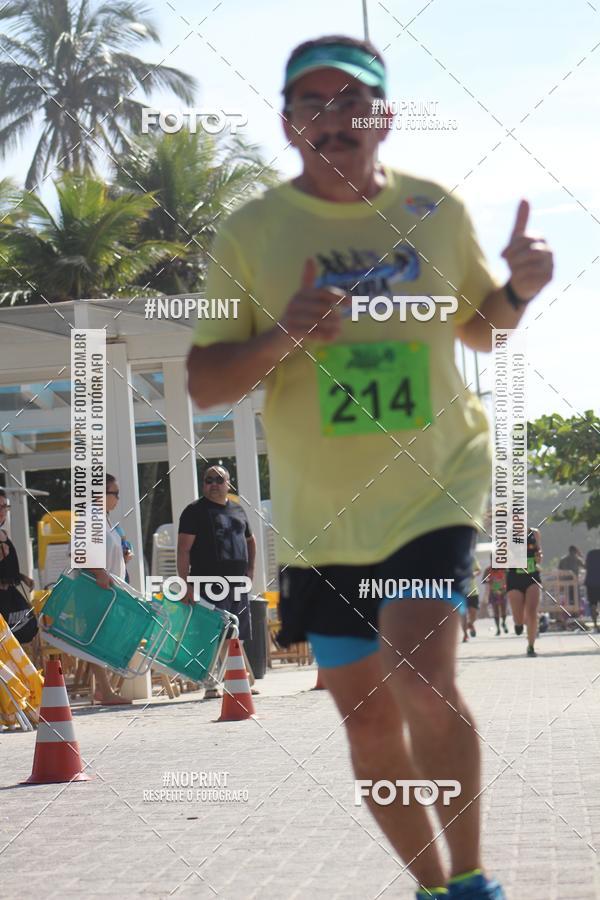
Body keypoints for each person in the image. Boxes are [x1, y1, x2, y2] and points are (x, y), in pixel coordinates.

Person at [186, 35, 553, 900]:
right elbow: (204, 382)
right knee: (367, 720)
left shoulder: (434, 211)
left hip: (433, 485)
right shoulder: (251, 232)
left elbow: (480, 328)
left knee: (421, 677)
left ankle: (473, 881)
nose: (333, 120)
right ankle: (433, 889)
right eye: (312, 104)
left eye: (351, 101)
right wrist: (282, 335)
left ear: (383, 116)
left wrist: (518, 290)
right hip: (323, 513)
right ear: (287, 123)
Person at [177, 465, 257, 699]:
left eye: (219, 480)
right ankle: (211, 684)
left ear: (228, 484)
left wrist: (250, 570)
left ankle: (237, 681)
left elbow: (250, 541)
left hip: (237, 583)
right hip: (207, 582)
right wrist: (185, 584)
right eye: (208, 480)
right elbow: (183, 549)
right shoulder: (194, 511)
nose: (213, 484)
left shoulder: (238, 509)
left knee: (236, 634)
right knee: (212, 634)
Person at [87, 474, 132, 705]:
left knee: (106, 638)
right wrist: (99, 573)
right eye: (114, 493)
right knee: (97, 639)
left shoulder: (105, 520)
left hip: (111, 588)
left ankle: (104, 689)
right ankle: (105, 690)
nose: (118, 498)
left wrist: (123, 557)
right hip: (97, 589)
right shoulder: (90, 519)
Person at [0, 489, 37, 646]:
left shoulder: (3, 533)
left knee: (27, 627)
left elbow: (7, 567)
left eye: (4, 506)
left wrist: (22, 577)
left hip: (9, 593)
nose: (2, 511)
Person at [506, 528, 543, 657]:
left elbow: (539, 555)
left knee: (532, 612)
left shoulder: (534, 533)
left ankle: (531, 646)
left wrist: (539, 556)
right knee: (519, 618)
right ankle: (518, 624)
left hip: (532, 577)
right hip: (514, 578)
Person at [482, 558, 508, 636]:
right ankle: (498, 629)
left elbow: (508, 578)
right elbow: (483, 580)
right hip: (493, 592)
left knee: (503, 609)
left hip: (503, 591)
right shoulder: (488, 570)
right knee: (496, 611)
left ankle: (503, 623)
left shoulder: (503, 568)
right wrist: (489, 580)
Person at [558, 544, 585, 612]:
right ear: (575, 551)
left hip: (565, 582)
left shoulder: (563, 559)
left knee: (568, 598)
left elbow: (559, 571)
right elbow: (585, 567)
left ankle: (569, 612)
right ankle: (576, 612)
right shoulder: (577, 559)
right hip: (574, 581)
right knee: (576, 598)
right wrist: (581, 556)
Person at [462, 562, 481, 642]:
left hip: (473, 591)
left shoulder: (471, 557)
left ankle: (470, 624)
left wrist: (474, 573)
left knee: (474, 614)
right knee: (463, 615)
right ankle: (465, 635)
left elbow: (478, 570)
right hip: (460, 592)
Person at [584, 547, 600, 633]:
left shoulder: (591, 553)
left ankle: (595, 625)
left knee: (593, 604)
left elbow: (585, 566)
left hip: (591, 583)